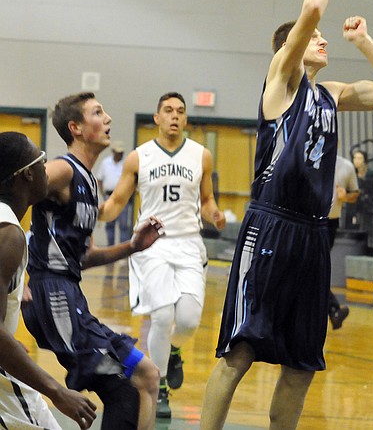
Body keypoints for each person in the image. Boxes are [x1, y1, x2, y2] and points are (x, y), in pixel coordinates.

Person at [200, 0, 373, 430]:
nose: (321, 39)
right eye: (310, 37)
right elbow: (313, 10)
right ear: (288, 48)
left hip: (314, 235)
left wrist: (365, 41)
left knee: (301, 364)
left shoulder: (331, 95)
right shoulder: (281, 83)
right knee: (240, 351)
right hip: (270, 226)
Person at [23, 93, 165, 430]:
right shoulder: (61, 169)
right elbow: (13, 189)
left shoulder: (88, 181)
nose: (108, 119)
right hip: (52, 296)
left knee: (147, 375)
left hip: (70, 293)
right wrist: (13, 272)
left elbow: (82, 256)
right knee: (122, 390)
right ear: (76, 128)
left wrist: (132, 246)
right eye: (98, 113)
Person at [98, 92, 226, 419]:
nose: (174, 116)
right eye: (168, 110)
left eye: (180, 111)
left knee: (187, 321)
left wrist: (215, 214)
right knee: (162, 315)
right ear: (156, 117)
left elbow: (208, 198)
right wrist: (93, 212)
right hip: (151, 244)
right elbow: (117, 202)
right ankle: (162, 384)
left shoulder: (201, 155)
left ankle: (176, 351)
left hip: (188, 244)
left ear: (185, 119)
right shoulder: (139, 157)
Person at [0, 133, 98, 430]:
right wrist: (57, 391)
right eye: (41, 159)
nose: (48, 166)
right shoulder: (9, 234)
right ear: (27, 174)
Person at [327, 155, 359, 329]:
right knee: (311, 270)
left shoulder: (346, 166)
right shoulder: (308, 159)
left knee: (313, 270)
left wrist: (345, 196)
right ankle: (333, 310)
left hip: (330, 223)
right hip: (308, 221)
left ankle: (333, 309)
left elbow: (355, 193)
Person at [94, 141, 132, 245]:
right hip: (109, 196)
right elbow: (100, 179)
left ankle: (122, 251)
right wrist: (103, 194)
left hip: (123, 197)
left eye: (121, 152)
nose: (120, 154)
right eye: (118, 152)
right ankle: (110, 248)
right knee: (110, 224)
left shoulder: (126, 163)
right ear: (113, 151)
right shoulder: (106, 163)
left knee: (124, 225)